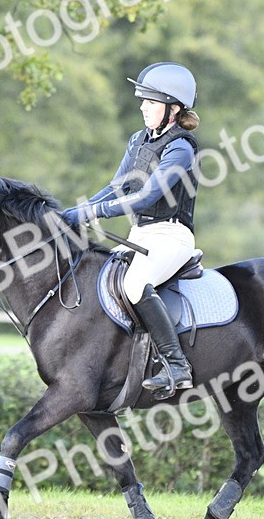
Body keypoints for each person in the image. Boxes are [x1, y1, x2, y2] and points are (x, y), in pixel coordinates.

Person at [60, 62, 201, 396]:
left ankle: (177, 365)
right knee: (100, 281)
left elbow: (149, 195)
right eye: (143, 101)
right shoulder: (139, 140)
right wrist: (75, 211)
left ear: (173, 109)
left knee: (136, 284)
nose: (142, 107)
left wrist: (96, 212)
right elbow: (118, 187)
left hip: (171, 234)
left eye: (150, 102)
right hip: (141, 235)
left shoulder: (180, 148)